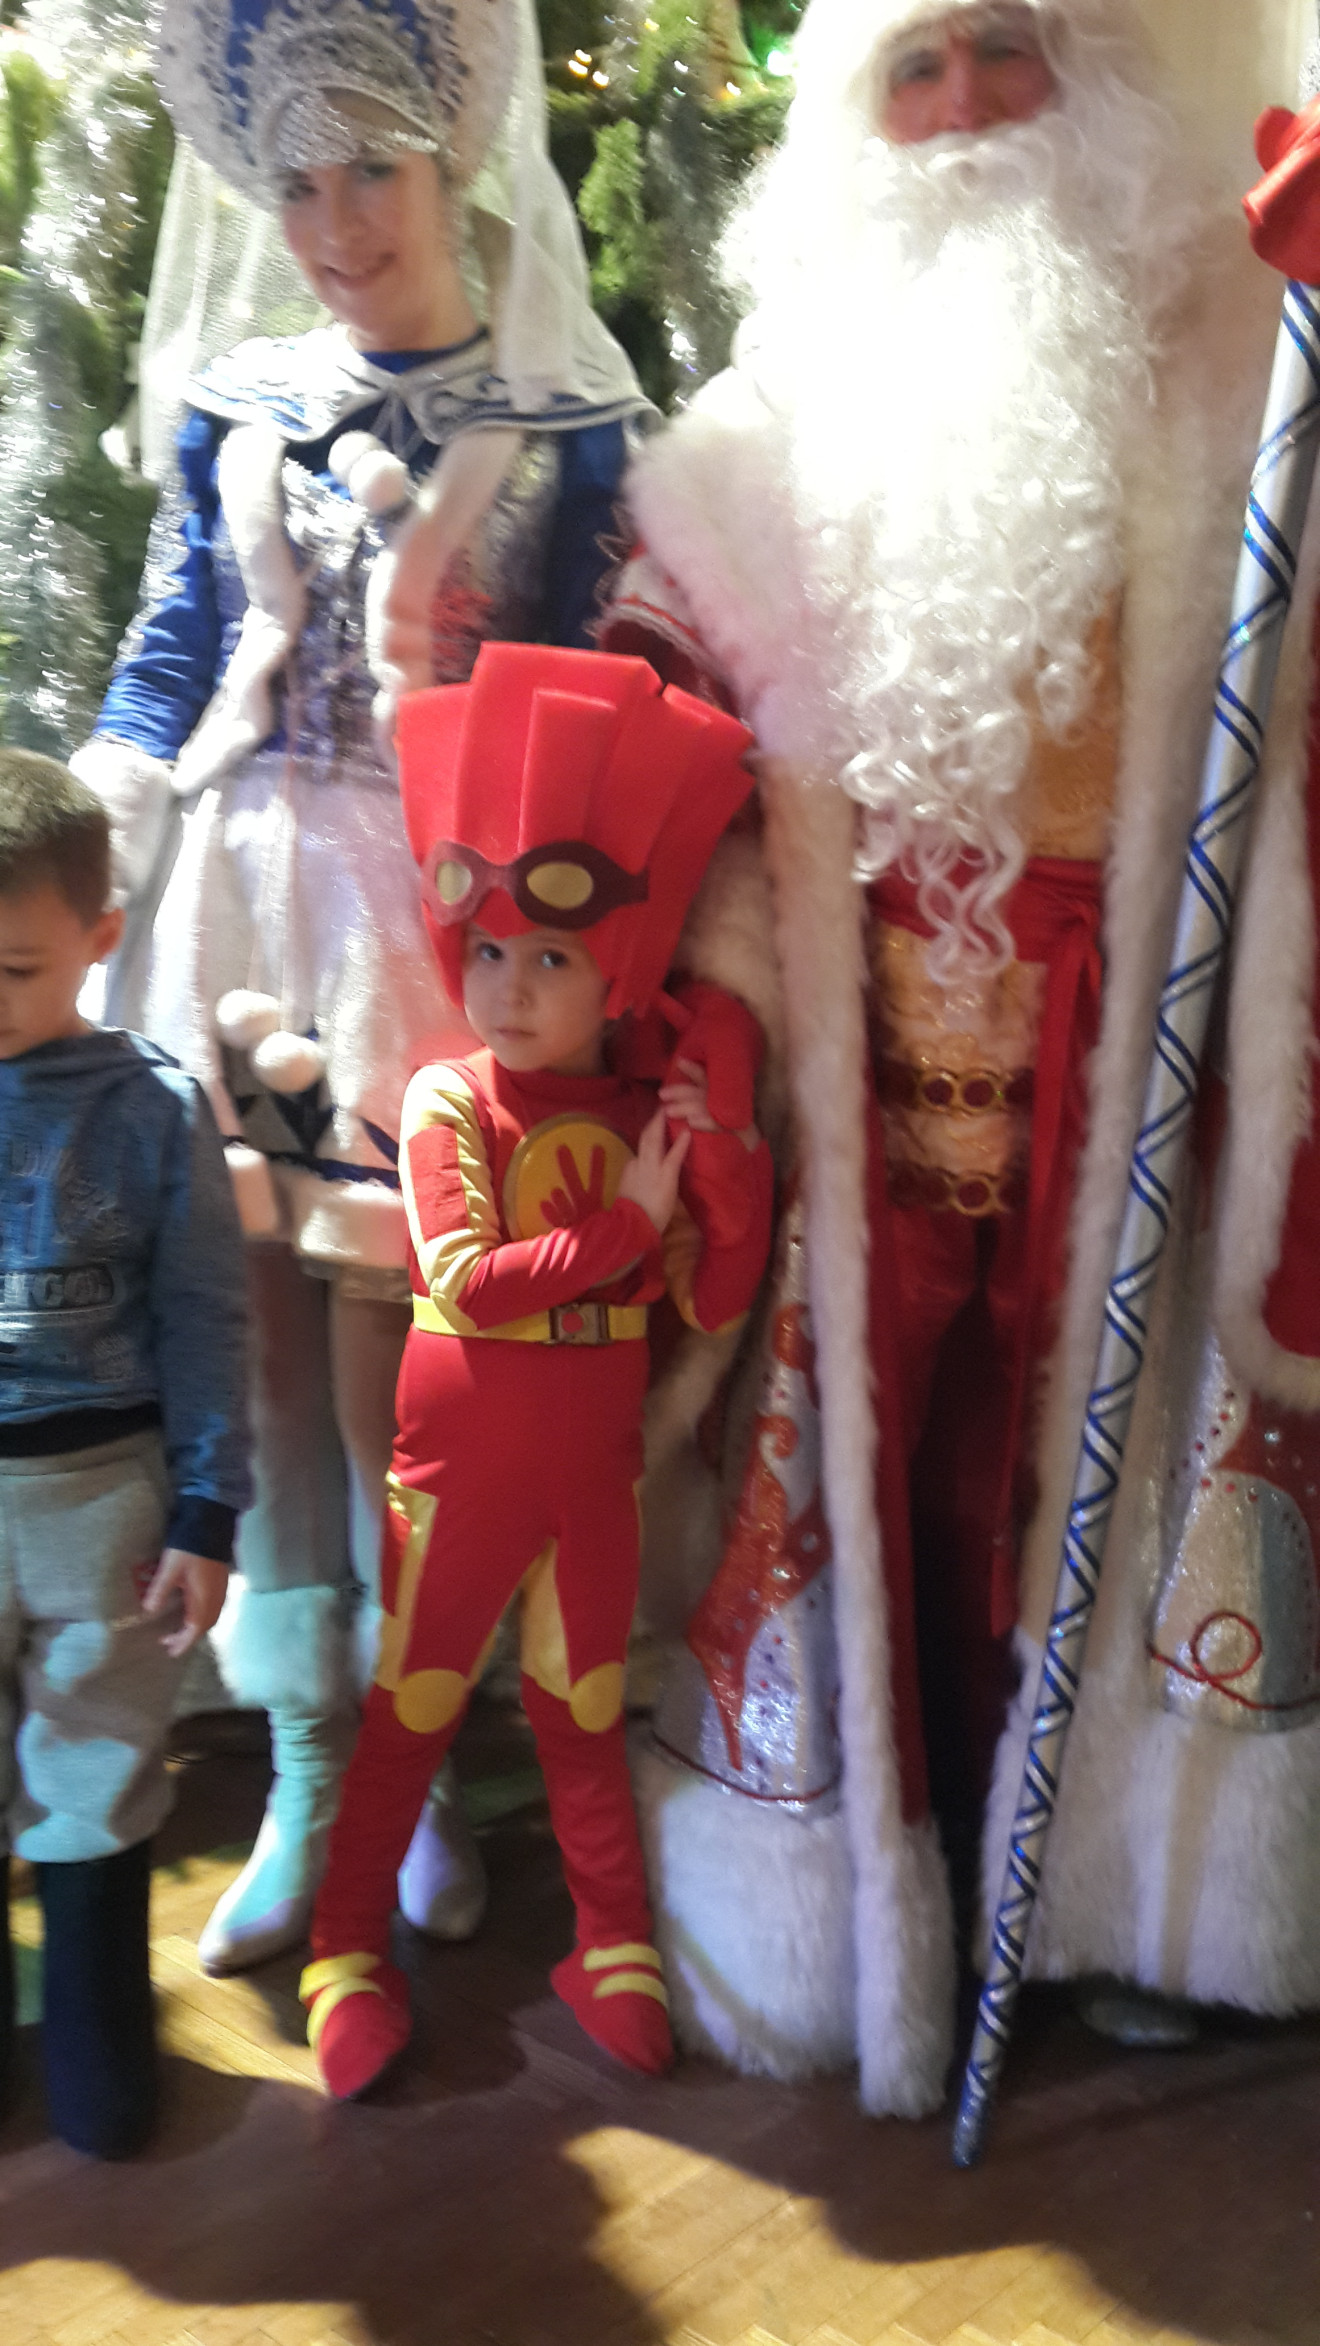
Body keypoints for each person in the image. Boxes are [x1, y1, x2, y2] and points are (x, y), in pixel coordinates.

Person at [603, 0, 1320, 2116]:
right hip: (858, 1069)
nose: (963, 110)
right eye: (911, 68)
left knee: (1076, 1472)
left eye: (1006, 48)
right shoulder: (765, 426)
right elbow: (675, 729)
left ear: (1112, 73)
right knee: (876, 1484)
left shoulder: (1253, 381)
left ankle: (1118, 1901)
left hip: (1144, 1055)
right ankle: (855, 1899)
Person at [72, 0, 652, 1978]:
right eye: (298, 185)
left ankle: (422, 1766)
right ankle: (311, 1773)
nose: (334, 227)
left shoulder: (563, 429)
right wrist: (102, 820)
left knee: (413, 1363)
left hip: (430, 932)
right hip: (236, 914)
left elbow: (595, 693)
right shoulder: (241, 407)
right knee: (254, 1335)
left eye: (373, 174)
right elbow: (174, 646)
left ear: (452, 163)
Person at [300, 641, 772, 2099]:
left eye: (551, 957)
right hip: (462, 1477)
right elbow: (465, 1280)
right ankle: (344, 1948)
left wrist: (728, 1138)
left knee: (581, 1712)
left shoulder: (642, 1112)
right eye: (490, 949)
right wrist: (627, 1223)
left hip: (588, 1479)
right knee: (413, 1710)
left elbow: (720, 1293)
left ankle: (612, 1943)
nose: (507, 986)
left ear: (614, 969)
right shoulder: (449, 1096)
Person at [0, 753, 249, 2156]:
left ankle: (98, 2038)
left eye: (16, 970)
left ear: (100, 937)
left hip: (104, 1501)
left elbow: (207, 1311)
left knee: (94, 1770)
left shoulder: (153, 1104)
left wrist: (210, 1509)